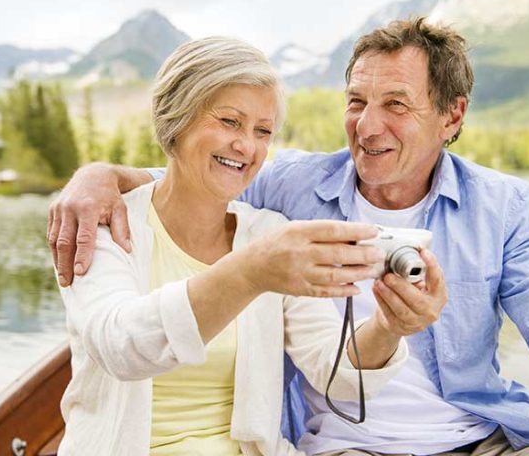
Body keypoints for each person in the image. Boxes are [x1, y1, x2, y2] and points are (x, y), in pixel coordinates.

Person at [49, 19, 529, 455]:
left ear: (451, 117)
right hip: (345, 446)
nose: (367, 126)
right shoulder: (281, 199)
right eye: (356, 102)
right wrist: (98, 176)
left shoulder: (501, 206)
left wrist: (392, 327)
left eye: (396, 105)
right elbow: (191, 182)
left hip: (484, 438)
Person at [55, 36, 436, 455]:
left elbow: (336, 374)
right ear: (175, 119)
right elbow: (122, 347)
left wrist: (389, 326)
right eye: (230, 122)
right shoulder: (103, 223)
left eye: (263, 131)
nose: (247, 147)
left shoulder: (266, 234)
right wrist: (249, 272)